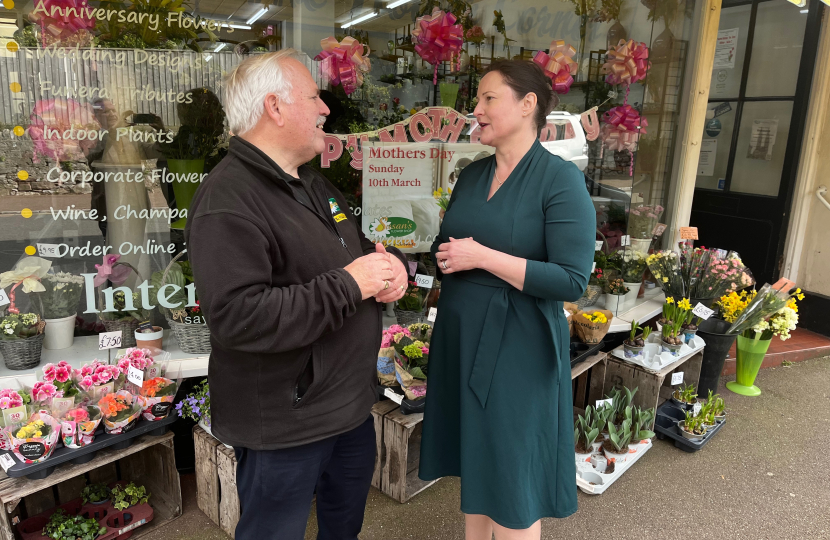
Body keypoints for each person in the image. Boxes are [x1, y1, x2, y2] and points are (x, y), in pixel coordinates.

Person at [184, 50, 409, 540]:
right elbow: (238, 317)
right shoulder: (227, 199)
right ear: (276, 107)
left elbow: (351, 251)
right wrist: (353, 282)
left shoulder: (312, 181)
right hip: (285, 427)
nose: (325, 108)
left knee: (343, 527)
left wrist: (390, 269)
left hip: (348, 410)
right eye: (313, 97)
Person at [418, 60, 595, 539]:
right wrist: (428, 260)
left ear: (527, 104)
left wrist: (483, 257)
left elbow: (571, 280)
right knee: (477, 466)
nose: (475, 110)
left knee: (513, 481)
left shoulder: (560, 181)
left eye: (487, 99)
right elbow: (450, 247)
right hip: (462, 338)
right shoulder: (472, 175)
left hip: (519, 349)